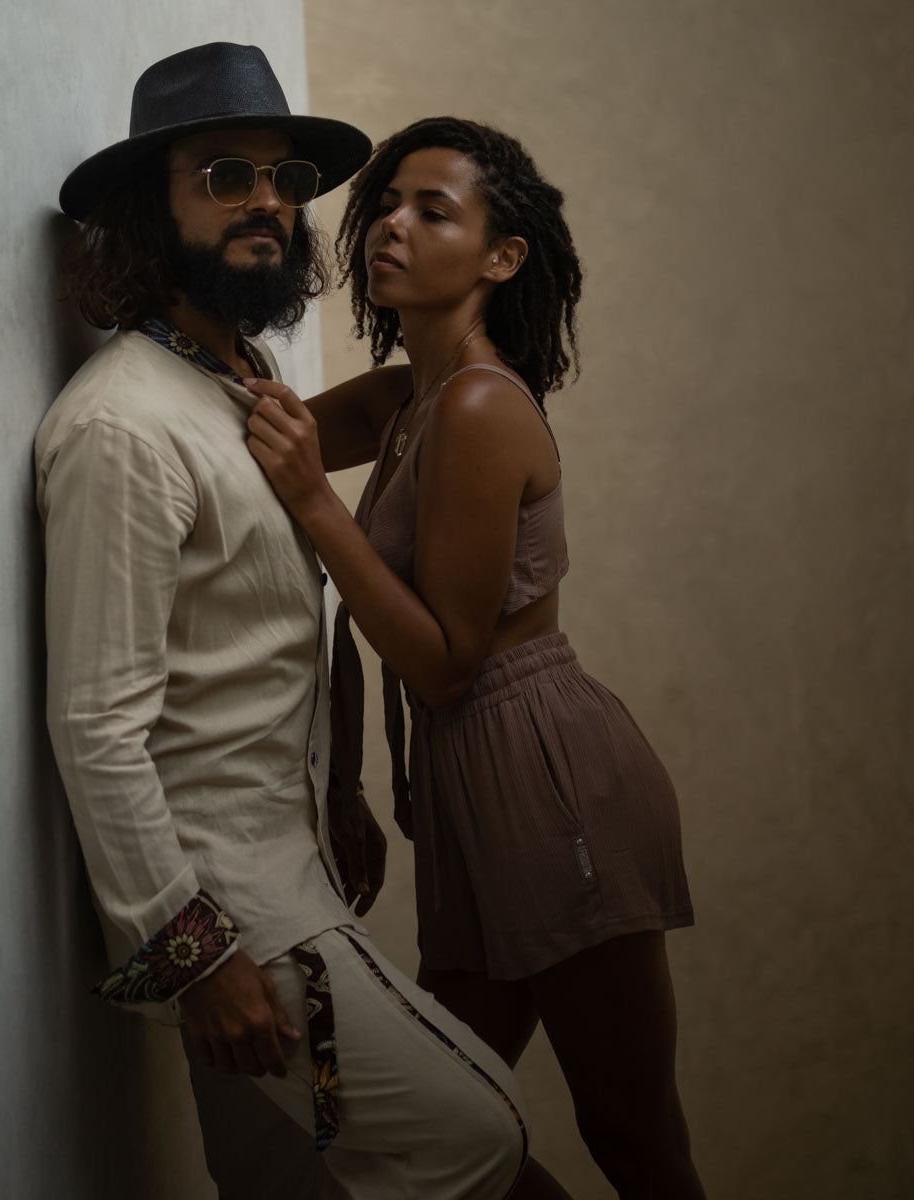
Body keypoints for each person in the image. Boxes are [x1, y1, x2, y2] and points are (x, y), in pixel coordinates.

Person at [35, 48, 532, 1199]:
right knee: (479, 1135)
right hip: (224, 909)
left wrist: (343, 788)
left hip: (289, 860)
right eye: (225, 174)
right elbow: (97, 725)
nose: (270, 199)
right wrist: (197, 958)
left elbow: (282, 619)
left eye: (283, 176)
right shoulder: (123, 426)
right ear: (146, 211)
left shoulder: (236, 382)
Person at [245, 116, 707, 1199]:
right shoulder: (411, 398)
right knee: (447, 1119)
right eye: (386, 207)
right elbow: (247, 441)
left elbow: (449, 662)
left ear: (502, 260)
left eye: (431, 211)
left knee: (633, 1137)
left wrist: (315, 496)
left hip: (548, 781)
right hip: (474, 783)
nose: (390, 227)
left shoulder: (483, 408)